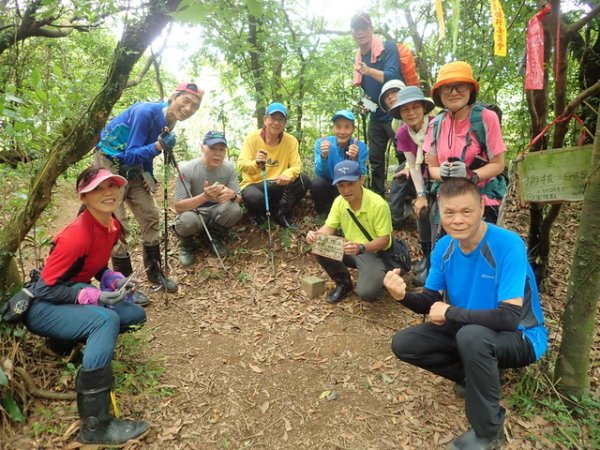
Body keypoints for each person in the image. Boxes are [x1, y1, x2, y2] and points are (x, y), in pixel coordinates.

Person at [383, 178, 547, 450]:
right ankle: (474, 377)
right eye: (449, 212)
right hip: (471, 330)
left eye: (466, 211)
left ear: (482, 208)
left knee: (472, 336)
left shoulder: (507, 245)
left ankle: (488, 431)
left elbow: (508, 318)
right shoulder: (445, 248)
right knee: (405, 343)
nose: (457, 220)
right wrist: (402, 296)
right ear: (440, 212)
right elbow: (429, 301)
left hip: (521, 336)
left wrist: (451, 312)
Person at [24, 168, 149, 446]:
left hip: (65, 299)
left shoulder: (111, 225)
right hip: (43, 307)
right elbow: (44, 288)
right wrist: (91, 297)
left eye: (113, 186)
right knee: (105, 320)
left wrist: (113, 280)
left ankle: (60, 344)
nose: (109, 192)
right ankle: (95, 425)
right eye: (98, 188)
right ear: (83, 195)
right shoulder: (76, 234)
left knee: (134, 315)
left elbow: (94, 266)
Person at [94, 81, 204, 293]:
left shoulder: (170, 121)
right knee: (115, 225)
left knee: (150, 215)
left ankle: (154, 272)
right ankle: (124, 284)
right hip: (108, 162)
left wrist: (149, 175)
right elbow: (130, 151)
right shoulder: (146, 113)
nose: (189, 108)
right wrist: (158, 146)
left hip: (133, 167)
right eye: (186, 101)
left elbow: (145, 151)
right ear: (174, 97)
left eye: (195, 106)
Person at [424, 61, 507, 230]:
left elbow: (498, 165)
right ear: (439, 93)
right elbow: (432, 167)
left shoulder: (486, 118)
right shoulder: (436, 124)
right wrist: (442, 172)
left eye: (460, 86)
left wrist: (471, 174)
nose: (454, 92)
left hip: (482, 200)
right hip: (448, 202)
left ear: (470, 89)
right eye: (447, 88)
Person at [306, 160, 393, 304]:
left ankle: (381, 275)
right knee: (320, 245)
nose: (346, 190)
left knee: (366, 293)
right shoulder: (340, 201)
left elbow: (384, 240)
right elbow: (329, 227)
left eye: (350, 184)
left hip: (372, 251)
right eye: (341, 185)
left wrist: (361, 247)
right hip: (350, 247)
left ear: (361, 180)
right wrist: (315, 235)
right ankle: (343, 283)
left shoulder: (378, 204)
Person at [388, 86, 436, 285]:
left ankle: (435, 264)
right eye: (405, 109)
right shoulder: (403, 133)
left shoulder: (436, 125)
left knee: (436, 216)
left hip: (443, 178)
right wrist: (421, 195)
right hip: (424, 179)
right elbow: (412, 166)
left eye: (416, 107)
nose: (411, 113)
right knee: (422, 212)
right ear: (400, 113)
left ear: (424, 108)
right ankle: (426, 257)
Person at [351, 11, 402, 197]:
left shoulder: (387, 48)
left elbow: (394, 76)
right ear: (352, 34)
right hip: (376, 116)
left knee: (405, 155)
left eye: (363, 27)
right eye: (356, 29)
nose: (360, 32)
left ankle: (407, 198)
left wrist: (369, 70)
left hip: (398, 113)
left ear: (371, 29)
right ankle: (379, 197)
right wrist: (366, 104)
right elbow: (369, 92)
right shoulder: (358, 58)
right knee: (375, 159)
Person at [173, 131, 242, 266]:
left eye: (221, 149)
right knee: (187, 221)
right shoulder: (187, 169)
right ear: (203, 148)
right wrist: (205, 197)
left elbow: (239, 198)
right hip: (194, 212)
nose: (217, 154)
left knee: (235, 209)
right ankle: (187, 244)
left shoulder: (228, 168)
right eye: (212, 148)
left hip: (217, 210)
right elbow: (178, 207)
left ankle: (213, 236)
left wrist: (232, 195)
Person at [238, 102, 310, 228]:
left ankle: (282, 214)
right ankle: (258, 214)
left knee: (303, 179)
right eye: (272, 118)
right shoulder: (252, 138)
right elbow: (242, 164)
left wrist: (287, 173)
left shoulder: (290, 141)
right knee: (254, 198)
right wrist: (255, 163)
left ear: (285, 123)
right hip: (255, 184)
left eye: (280, 119)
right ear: (265, 120)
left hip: (277, 183)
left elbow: (297, 166)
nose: (276, 123)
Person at [310, 110, 368, 222]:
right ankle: (323, 212)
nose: (342, 131)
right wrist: (324, 156)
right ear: (333, 128)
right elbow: (319, 173)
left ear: (353, 129)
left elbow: (361, 175)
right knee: (317, 183)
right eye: (338, 126)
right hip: (330, 185)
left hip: (348, 187)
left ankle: (351, 214)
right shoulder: (322, 143)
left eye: (347, 127)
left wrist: (355, 159)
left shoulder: (360, 146)